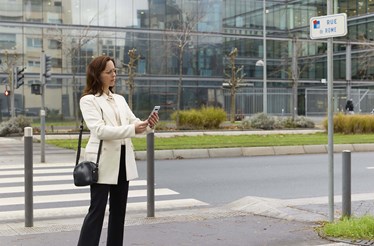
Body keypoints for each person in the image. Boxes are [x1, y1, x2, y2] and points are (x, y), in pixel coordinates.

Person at [77, 55, 158, 246]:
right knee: (96, 211)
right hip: (102, 162)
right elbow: (99, 130)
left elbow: (133, 122)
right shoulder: (88, 100)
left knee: (119, 212)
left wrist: (147, 125)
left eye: (115, 71)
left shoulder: (120, 99)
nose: (114, 75)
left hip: (123, 160)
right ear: (97, 75)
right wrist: (132, 129)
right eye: (109, 72)